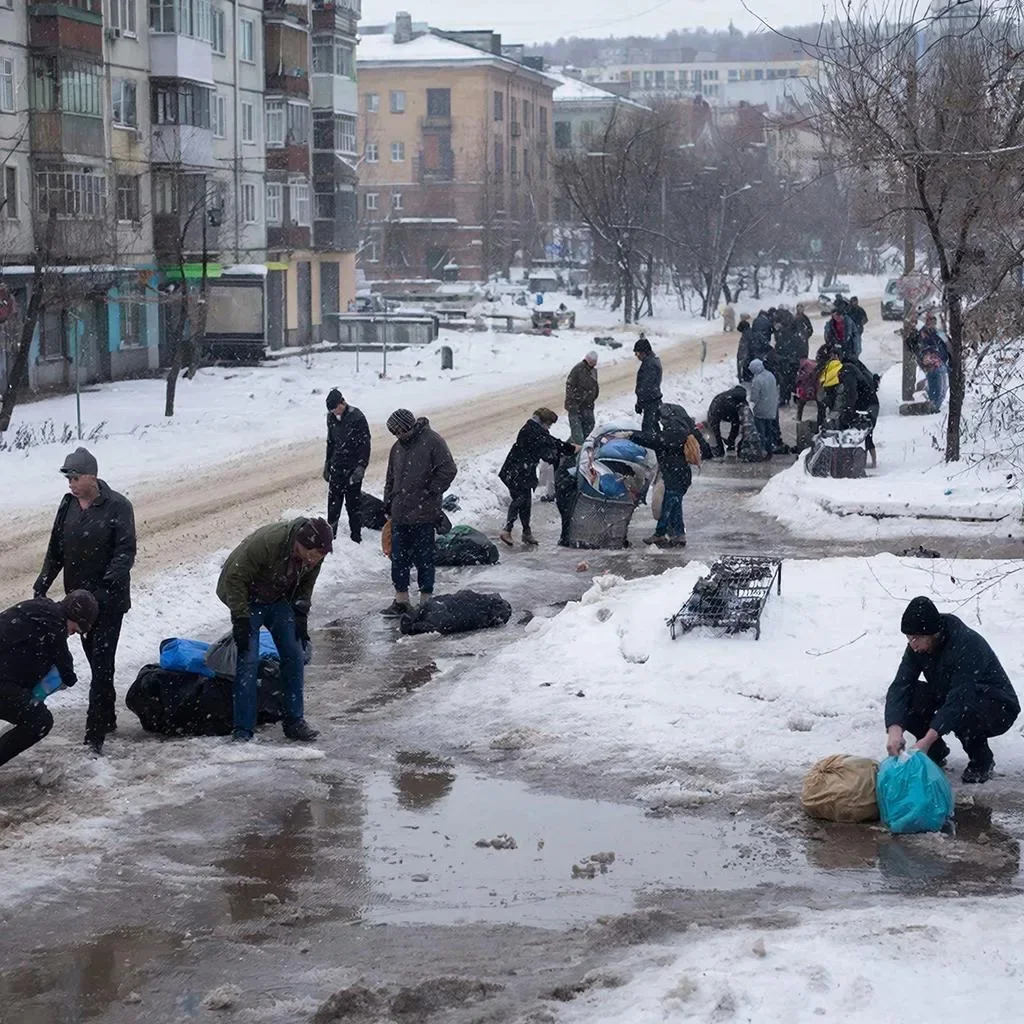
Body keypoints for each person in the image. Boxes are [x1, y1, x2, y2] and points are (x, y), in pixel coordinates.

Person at [33, 447, 136, 756]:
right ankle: (108, 714)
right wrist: (43, 582)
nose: (72, 484)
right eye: (69, 478)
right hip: (77, 604)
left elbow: (125, 552)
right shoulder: (68, 506)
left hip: (109, 602)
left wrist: (104, 587)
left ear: (93, 476)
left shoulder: (118, 506)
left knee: (102, 665)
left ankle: (95, 736)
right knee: (95, 661)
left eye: (76, 477)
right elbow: (57, 550)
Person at [216, 516, 333, 742]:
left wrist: (300, 614)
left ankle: (294, 721)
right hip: (246, 595)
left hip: (277, 597)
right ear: (300, 543)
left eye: (317, 557)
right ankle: (243, 729)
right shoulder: (269, 542)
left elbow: (306, 586)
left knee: (294, 653)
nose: (313, 561)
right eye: (310, 554)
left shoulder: (316, 555)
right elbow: (235, 578)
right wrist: (240, 619)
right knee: (247, 658)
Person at [885, 596, 1020, 784]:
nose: (912, 644)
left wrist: (928, 737)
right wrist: (894, 731)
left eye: (916, 638)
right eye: (908, 638)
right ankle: (935, 751)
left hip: (996, 705)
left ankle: (981, 760)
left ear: (933, 633)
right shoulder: (917, 648)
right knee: (910, 694)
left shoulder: (966, 644)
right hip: (950, 694)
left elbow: (960, 698)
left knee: (965, 711)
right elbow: (901, 685)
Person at [0, 591, 98, 769]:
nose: (72, 634)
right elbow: (66, 670)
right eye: (76, 629)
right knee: (40, 721)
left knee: (22, 701)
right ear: (73, 616)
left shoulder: (36, 610)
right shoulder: (54, 624)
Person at [381, 409, 458, 617]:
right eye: (395, 432)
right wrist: (388, 502)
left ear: (410, 426)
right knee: (398, 558)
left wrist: (431, 490)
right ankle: (401, 600)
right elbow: (391, 478)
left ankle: (426, 601)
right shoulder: (396, 448)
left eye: (401, 431)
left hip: (424, 513)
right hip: (400, 513)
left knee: (425, 557)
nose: (399, 435)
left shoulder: (433, 441)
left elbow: (448, 469)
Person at [499, 408, 576, 547]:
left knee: (526, 501)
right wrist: (566, 450)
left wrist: (566, 448)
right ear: (543, 421)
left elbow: (551, 442)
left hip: (523, 471)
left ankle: (526, 533)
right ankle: (507, 530)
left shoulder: (536, 430)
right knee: (520, 499)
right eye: (549, 424)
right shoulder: (530, 431)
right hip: (515, 471)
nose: (549, 427)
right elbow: (547, 448)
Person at [627, 404, 699, 548]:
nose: (660, 421)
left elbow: (657, 441)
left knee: (669, 504)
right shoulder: (680, 427)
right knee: (674, 505)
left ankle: (660, 534)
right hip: (678, 473)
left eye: (661, 418)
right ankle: (678, 535)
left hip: (676, 473)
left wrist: (633, 436)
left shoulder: (675, 429)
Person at [323, 388, 371, 543]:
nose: (334, 413)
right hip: (337, 467)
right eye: (331, 411)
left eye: (335, 409)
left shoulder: (357, 417)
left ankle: (356, 537)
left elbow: (365, 445)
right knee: (333, 505)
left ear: (342, 403)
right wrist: (327, 463)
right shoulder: (331, 418)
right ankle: (331, 537)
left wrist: (361, 467)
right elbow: (330, 442)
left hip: (352, 469)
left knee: (353, 505)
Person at [835, 356, 880, 468]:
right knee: (868, 434)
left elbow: (851, 393)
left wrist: (848, 410)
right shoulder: (860, 369)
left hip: (868, 406)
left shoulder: (848, 371)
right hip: (872, 404)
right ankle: (871, 462)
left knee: (864, 433)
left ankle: (865, 463)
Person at [564, 352, 600, 444]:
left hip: (588, 407)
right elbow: (570, 386)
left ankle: (565, 449)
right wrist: (574, 401)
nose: (594, 364)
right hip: (576, 408)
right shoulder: (578, 369)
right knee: (578, 437)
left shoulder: (593, 371)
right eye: (593, 362)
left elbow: (594, 386)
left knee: (587, 433)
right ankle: (567, 452)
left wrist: (592, 397)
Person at [747, 358, 781, 456]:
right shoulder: (770, 375)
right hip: (771, 408)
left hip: (761, 410)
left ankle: (762, 450)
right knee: (769, 430)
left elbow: (754, 397)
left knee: (760, 431)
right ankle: (769, 449)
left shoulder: (757, 380)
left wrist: (752, 403)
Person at [917, 313, 950, 410]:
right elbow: (924, 349)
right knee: (938, 390)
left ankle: (933, 404)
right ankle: (933, 406)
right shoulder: (924, 333)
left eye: (933, 321)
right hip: (934, 365)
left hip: (939, 364)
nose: (932, 323)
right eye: (930, 321)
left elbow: (946, 344)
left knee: (941, 390)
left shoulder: (937, 332)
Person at [706, 385, 748, 457]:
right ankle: (730, 444)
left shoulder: (727, 394)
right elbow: (740, 415)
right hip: (723, 409)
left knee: (716, 430)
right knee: (735, 424)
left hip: (714, 408)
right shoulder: (739, 398)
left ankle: (720, 448)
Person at [633, 337, 663, 434]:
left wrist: (640, 402)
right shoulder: (651, 362)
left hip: (651, 403)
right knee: (654, 428)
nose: (636, 356)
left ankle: (655, 449)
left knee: (648, 431)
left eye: (637, 353)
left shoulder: (649, 365)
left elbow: (646, 387)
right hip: (652, 402)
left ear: (643, 352)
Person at [816, 344, 844, 429]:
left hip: (825, 392)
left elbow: (819, 396)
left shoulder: (823, 370)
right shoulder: (843, 368)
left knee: (822, 410)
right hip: (837, 391)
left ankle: (820, 426)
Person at [736, 316, 753, 382]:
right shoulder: (753, 332)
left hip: (747, 361)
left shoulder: (745, 337)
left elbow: (742, 352)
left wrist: (740, 376)